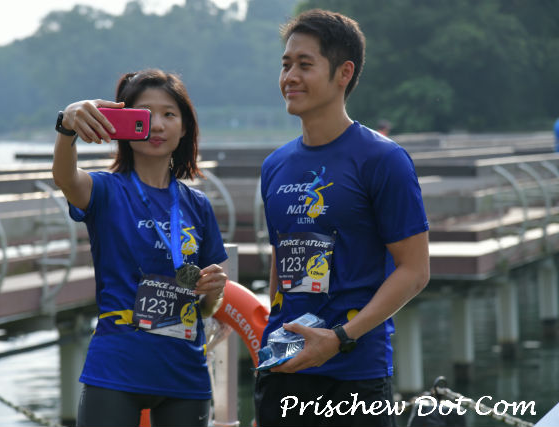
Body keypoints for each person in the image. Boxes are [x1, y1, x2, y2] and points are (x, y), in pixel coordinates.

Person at [255, 9, 430, 427]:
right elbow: (282, 256)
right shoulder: (275, 165)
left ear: (344, 73)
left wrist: (340, 338)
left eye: (305, 64)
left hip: (355, 373)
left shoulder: (382, 159)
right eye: (285, 64)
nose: (290, 77)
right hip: (283, 368)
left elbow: (414, 270)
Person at [52, 69, 228, 427]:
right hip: (116, 368)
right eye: (145, 114)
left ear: (185, 127)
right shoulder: (105, 190)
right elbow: (65, 177)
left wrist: (213, 290)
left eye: (169, 114)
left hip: (184, 372)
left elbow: (208, 308)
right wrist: (67, 127)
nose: (157, 125)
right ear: (122, 124)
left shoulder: (197, 205)